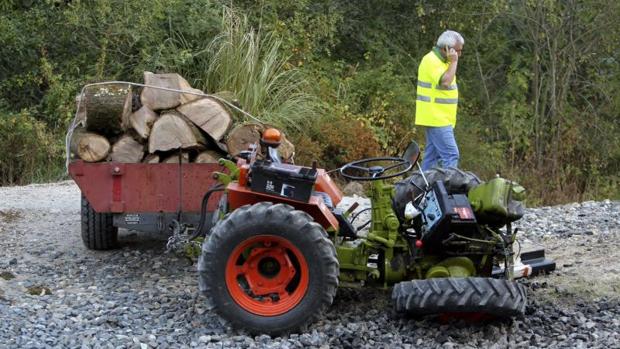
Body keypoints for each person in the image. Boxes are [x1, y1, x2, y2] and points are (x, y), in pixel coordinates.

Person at [415, 30, 464, 171]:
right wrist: (454, 62)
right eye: (458, 51)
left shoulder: (444, 62)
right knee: (451, 154)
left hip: (441, 119)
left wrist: (451, 62)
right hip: (436, 119)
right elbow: (446, 82)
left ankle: (422, 190)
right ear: (447, 49)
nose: (459, 55)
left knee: (431, 159)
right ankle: (445, 191)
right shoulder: (431, 60)